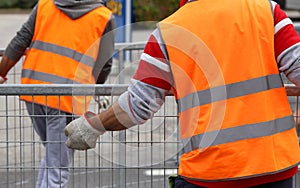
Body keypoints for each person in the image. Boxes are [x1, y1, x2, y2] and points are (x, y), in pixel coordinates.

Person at [64, 0, 300, 187]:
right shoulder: (265, 11)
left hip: (209, 172)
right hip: (274, 168)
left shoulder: (169, 32)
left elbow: (138, 106)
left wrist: (94, 125)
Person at [0, 0, 115, 187]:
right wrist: (96, 87)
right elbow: (104, 65)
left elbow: (20, 40)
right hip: (69, 99)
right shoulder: (103, 17)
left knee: (53, 155)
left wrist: (1, 72)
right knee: (57, 165)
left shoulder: (45, 4)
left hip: (34, 92)